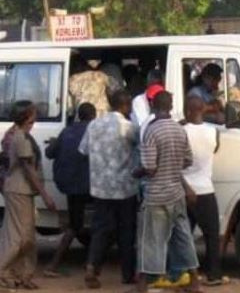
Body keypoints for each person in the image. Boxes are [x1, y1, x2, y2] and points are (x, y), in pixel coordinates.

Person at [132, 91, 202, 293]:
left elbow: (150, 167)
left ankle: (142, 286)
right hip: (176, 193)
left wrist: (136, 172)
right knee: (184, 238)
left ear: (153, 106)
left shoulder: (151, 131)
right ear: (171, 107)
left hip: (156, 195)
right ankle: (195, 282)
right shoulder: (180, 130)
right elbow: (188, 160)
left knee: (150, 241)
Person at [0, 101, 57, 290]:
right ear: (26, 116)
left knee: (26, 237)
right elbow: (28, 169)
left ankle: (21, 274)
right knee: (18, 236)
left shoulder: (23, 135)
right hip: (19, 190)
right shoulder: (20, 137)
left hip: (22, 190)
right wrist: (45, 195)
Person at [79, 90, 138, 289]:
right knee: (126, 232)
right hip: (124, 188)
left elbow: (83, 150)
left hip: (100, 187)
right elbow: (141, 148)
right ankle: (127, 274)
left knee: (100, 231)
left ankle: (92, 267)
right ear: (126, 106)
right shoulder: (128, 127)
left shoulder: (93, 125)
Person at [43, 102, 96, 277]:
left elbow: (49, 153)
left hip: (69, 185)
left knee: (76, 224)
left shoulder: (67, 131)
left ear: (79, 116)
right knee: (95, 224)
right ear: (94, 116)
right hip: (89, 185)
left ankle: (57, 264)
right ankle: (60, 264)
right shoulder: (94, 131)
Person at [183, 96, 228, 286]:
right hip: (205, 189)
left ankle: (185, 273)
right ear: (203, 110)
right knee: (212, 234)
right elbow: (215, 149)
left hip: (184, 188)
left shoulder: (181, 131)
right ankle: (214, 274)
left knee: (183, 235)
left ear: (186, 111)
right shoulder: (213, 132)